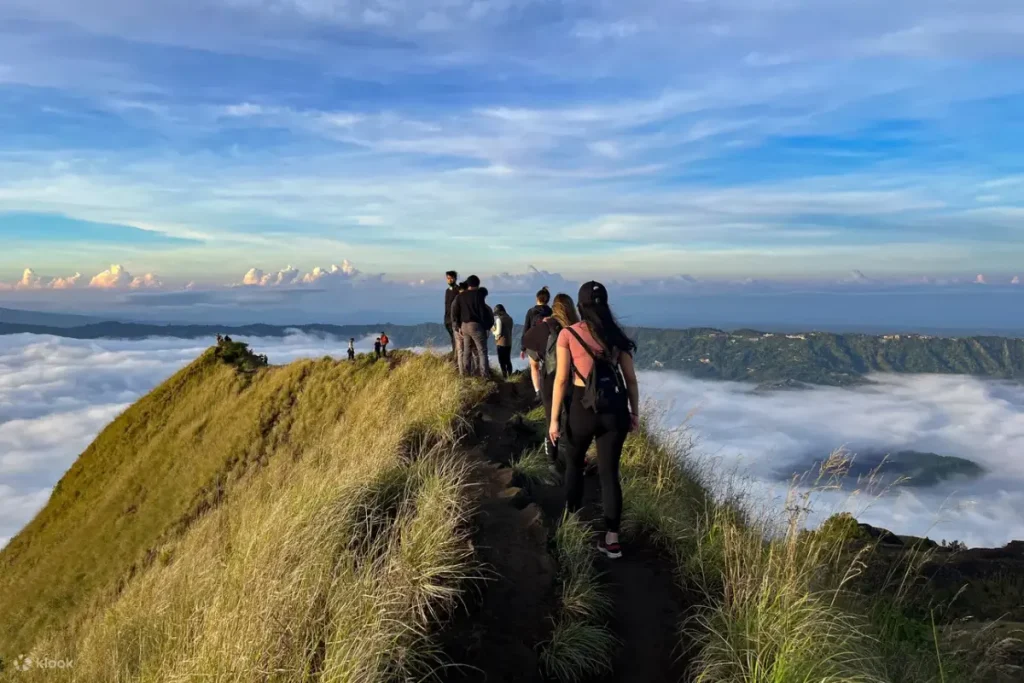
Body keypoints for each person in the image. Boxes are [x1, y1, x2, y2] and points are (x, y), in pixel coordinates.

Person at [549, 282, 639, 560]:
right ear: (605, 304)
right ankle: (612, 540)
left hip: (581, 409)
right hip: (614, 409)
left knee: (574, 465)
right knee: (609, 474)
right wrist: (634, 413)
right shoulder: (616, 335)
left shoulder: (568, 335)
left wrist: (553, 420)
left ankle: (572, 525)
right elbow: (630, 379)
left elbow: (562, 379)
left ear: (581, 306)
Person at [523, 293, 579, 464]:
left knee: (551, 419)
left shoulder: (545, 326)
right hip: (574, 379)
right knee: (571, 418)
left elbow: (527, 340)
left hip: (550, 378)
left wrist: (540, 356)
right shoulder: (577, 327)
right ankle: (573, 457)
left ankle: (552, 461)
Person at [451, 274, 494, 378]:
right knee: (482, 351)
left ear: (468, 284)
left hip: (464, 326)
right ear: (477, 284)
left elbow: (456, 312)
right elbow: (482, 312)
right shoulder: (478, 295)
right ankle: (484, 376)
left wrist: (458, 326)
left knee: (467, 351)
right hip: (476, 326)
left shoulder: (460, 296)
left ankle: (465, 375)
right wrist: (487, 327)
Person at [521, 287, 553, 402]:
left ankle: (538, 392)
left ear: (537, 299)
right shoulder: (551, 312)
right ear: (548, 300)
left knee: (534, 368)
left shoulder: (531, 311)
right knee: (547, 367)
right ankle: (548, 390)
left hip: (532, 342)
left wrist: (522, 347)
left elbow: (526, 328)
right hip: (547, 343)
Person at [491, 304, 515, 378]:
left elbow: (498, 332)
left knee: (502, 361)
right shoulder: (510, 318)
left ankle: (505, 377)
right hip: (509, 342)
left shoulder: (499, 320)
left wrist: (492, 330)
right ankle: (510, 375)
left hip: (501, 342)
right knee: (508, 360)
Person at [444, 271, 459, 357]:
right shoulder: (447, 291)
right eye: (448, 278)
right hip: (447, 319)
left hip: (455, 319)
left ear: (455, 279)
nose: (449, 280)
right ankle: (454, 354)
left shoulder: (458, 290)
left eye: (451, 278)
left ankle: (456, 357)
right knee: (452, 339)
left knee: (456, 339)